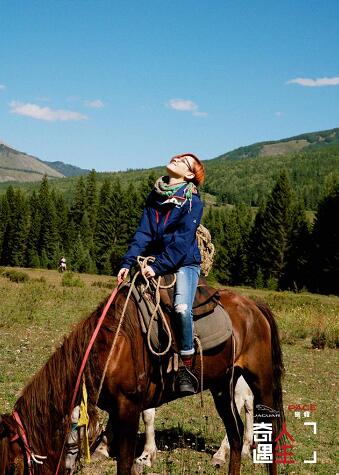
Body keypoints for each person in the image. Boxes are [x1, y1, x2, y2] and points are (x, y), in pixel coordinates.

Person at [118, 153, 205, 394]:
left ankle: (187, 367)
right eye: (176, 157)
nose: (175, 159)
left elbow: (182, 241)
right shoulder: (155, 196)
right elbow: (143, 233)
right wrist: (127, 262)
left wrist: (156, 267)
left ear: (189, 175)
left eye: (183, 161)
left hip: (184, 263)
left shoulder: (192, 202)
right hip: (153, 261)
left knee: (181, 308)